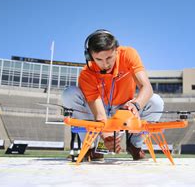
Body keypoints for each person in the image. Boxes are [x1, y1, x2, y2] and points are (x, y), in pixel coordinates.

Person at [62, 29, 163, 161]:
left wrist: (136, 104)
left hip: (125, 106)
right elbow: (100, 115)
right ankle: (92, 146)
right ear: (90, 56)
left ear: (117, 50)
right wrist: (107, 137)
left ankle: (135, 144)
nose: (105, 64)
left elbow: (147, 87)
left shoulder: (128, 54)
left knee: (156, 101)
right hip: (100, 108)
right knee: (69, 94)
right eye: (98, 59)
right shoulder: (86, 74)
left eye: (109, 57)